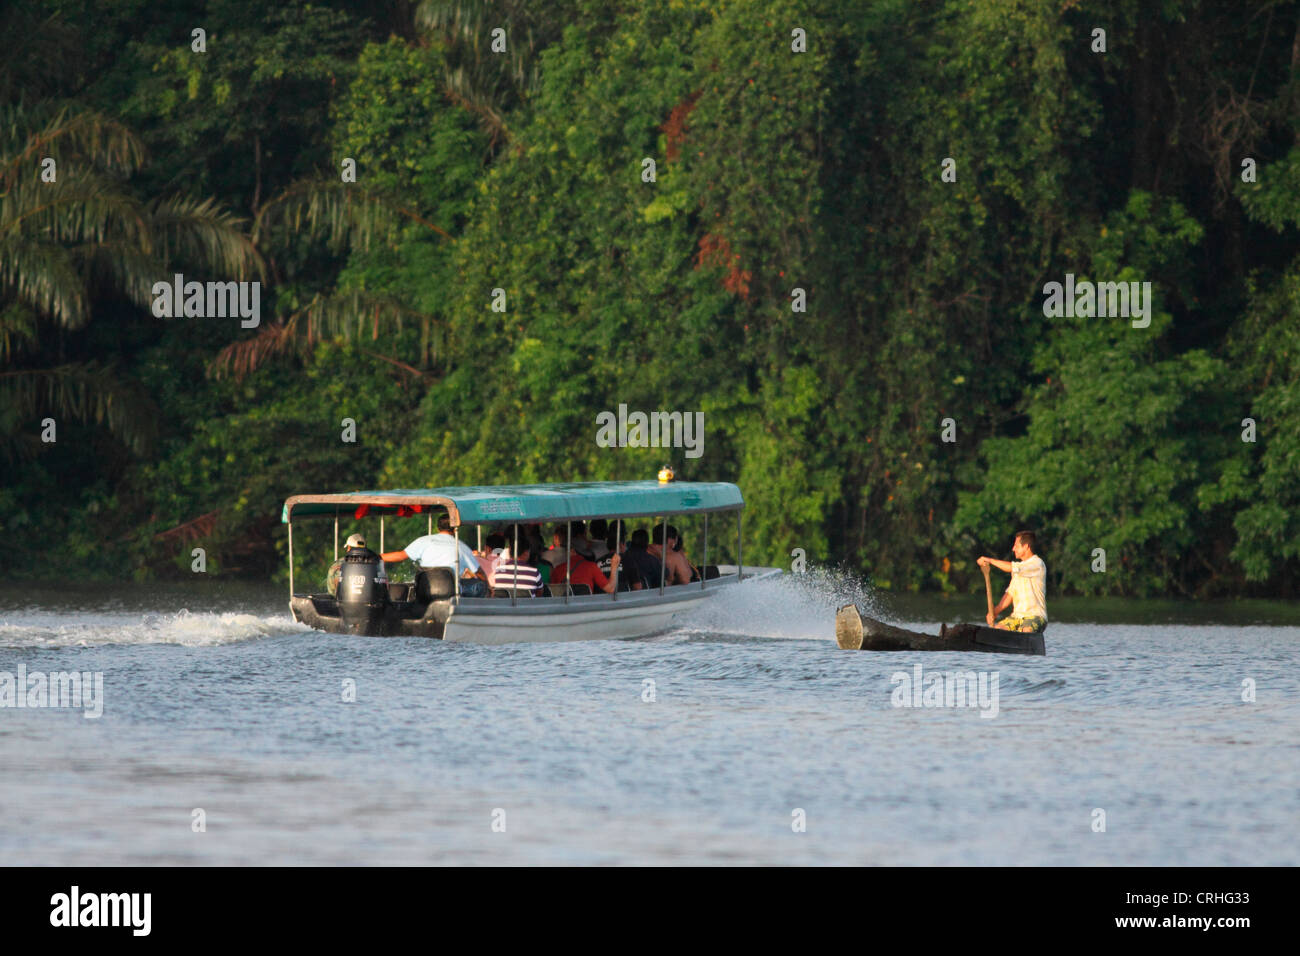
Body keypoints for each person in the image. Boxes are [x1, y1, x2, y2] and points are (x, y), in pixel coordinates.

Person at [382, 513, 487, 596]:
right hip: (450, 591)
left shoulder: (423, 541)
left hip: (424, 590)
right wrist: (489, 585)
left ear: (438, 528)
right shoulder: (461, 547)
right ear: (455, 529)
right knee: (479, 585)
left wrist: (377, 557)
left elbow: (400, 556)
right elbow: (479, 572)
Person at [977, 531, 1047, 632]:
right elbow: (1010, 594)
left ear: (1026, 546)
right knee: (996, 631)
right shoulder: (1017, 570)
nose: (1013, 549)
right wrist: (995, 612)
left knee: (1025, 631)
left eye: (1016, 546)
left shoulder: (1037, 564)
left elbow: (1010, 567)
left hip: (1036, 617)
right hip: (1016, 617)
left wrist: (990, 561)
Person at [549, 540, 622, 594]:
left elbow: (552, 594)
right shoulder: (591, 567)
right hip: (585, 609)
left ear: (572, 551)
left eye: (567, 549)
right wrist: (614, 567)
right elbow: (611, 589)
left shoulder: (557, 569)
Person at [327, 532, 387, 596]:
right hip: (372, 604)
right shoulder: (376, 564)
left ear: (349, 548)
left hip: (343, 605)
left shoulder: (336, 565)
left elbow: (332, 592)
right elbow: (383, 589)